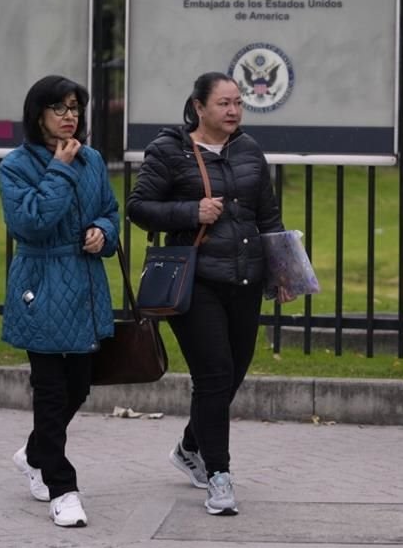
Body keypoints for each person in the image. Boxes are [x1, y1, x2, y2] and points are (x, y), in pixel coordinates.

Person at [126, 72, 294, 515]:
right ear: (199, 107)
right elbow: (138, 208)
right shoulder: (169, 150)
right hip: (196, 280)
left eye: (238, 102)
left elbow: (269, 218)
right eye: (224, 103)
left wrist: (281, 272)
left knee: (232, 375)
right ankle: (219, 475)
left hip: (245, 281)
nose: (234, 111)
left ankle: (188, 448)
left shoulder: (249, 150)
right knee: (215, 376)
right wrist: (191, 210)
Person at [0, 75, 120, 527]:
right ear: (38, 115)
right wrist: (60, 169)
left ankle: (34, 453)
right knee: (50, 392)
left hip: (85, 287)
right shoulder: (15, 165)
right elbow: (30, 224)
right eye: (60, 108)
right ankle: (62, 487)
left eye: (74, 108)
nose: (70, 116)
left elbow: (109, 211)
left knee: (79, 386)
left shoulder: (92, 160)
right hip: (41, 286)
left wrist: (103, 233)